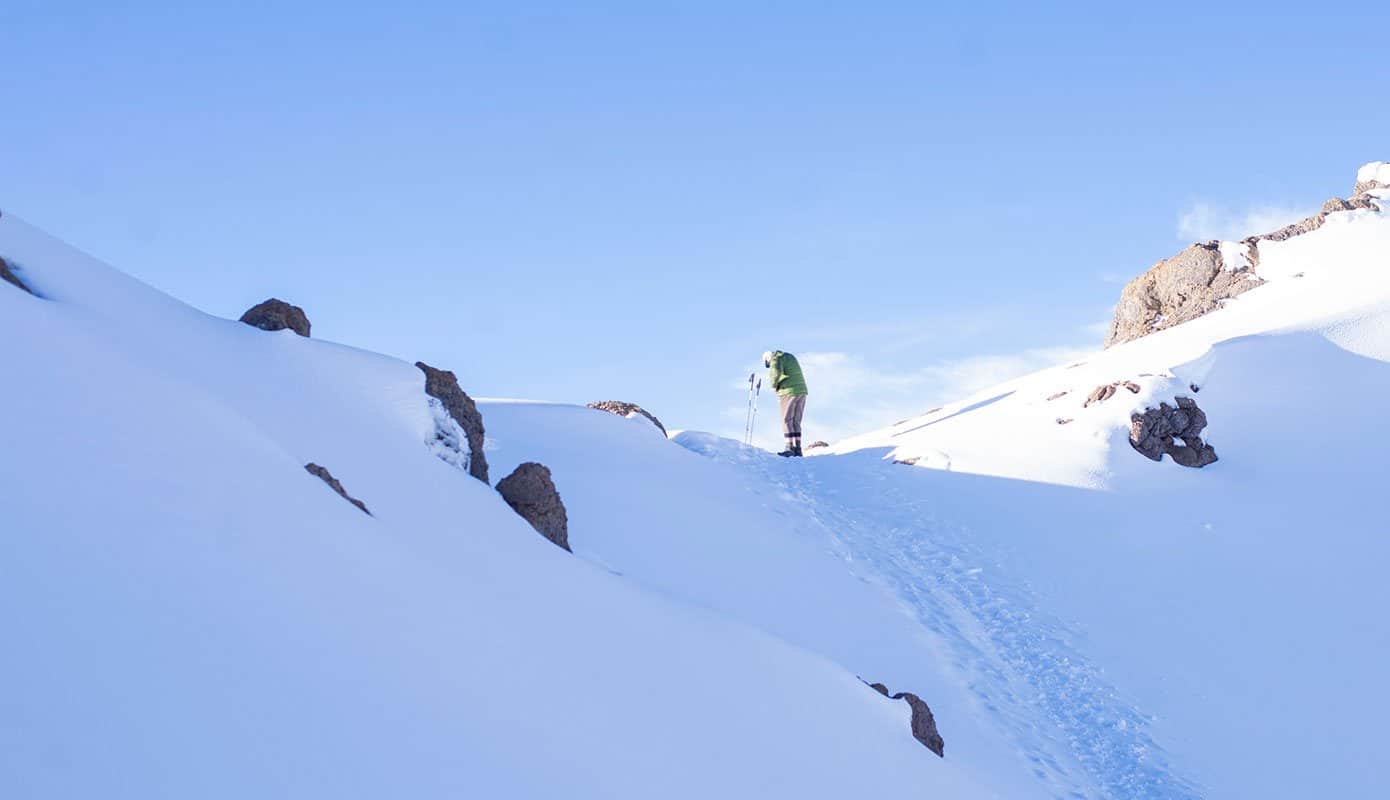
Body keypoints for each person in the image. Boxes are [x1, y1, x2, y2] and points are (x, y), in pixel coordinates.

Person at [762, 350, 808, 457]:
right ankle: (798, 448)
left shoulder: (776, 359)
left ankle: (789, 447)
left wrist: (773, 385)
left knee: (786, 419)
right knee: (796, 421)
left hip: (788, 391)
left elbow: (775, 372)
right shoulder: (789, 356)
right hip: (802, 390)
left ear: (767, 359)